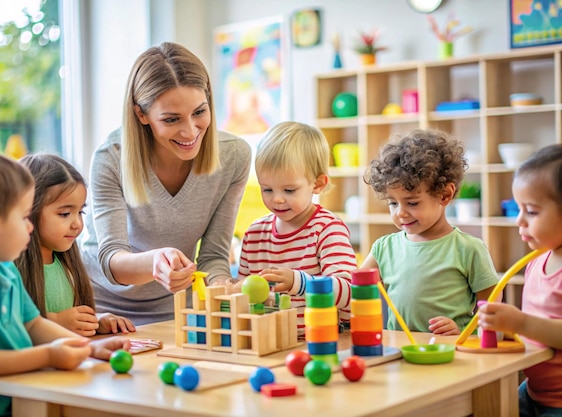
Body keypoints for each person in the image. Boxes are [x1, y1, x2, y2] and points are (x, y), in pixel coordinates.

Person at [0, 147, 129, 417]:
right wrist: (49, 356)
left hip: (19, 401)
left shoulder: (4, 271)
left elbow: (34, 323)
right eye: (25, 217)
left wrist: (88, 348)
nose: (30, 226)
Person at [80, 42, 251, 325]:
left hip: (176, 310)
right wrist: (156, 262)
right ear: (141, 114)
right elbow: (111, 259)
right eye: (172, 119)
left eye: (199, 112)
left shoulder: (234, 156)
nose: (190, 131)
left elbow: (214, 256)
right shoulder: (111, 158)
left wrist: (226, 286)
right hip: (102, 310)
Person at [360, 128, 498, 335]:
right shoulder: (383, 248)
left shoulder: (469, 249)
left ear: (444, 195)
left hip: (450, 352)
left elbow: (492, 313)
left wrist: (464, 332)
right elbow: (354, 287)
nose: (401, 213)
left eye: (412, 203)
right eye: (392, 203)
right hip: (400, 354)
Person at [231, 121, 357, 335]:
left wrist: (297, 282)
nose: (277, 199)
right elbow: (244, 293)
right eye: (267, 189)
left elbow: (349, 293)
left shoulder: (327, 229)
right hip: (266, 342)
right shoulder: (254, 234)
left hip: (319, 344)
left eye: (289, 190)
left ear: (317, 184)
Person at [478, 144, 562, 416]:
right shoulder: (536, 262)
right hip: (533, 391)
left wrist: (520, 322)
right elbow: (538, 332)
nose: (519, 221)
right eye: (519, 209)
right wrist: (507, 329)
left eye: (532, 212)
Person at [17, 153, 135, 336]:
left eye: (80, 212)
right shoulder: (8, 270)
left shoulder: (68, 264)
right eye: (65, 214)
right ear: (28, 211)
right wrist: (55, 322)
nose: (77, 224)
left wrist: (95, 321)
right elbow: (8, 328)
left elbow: (70, 316)